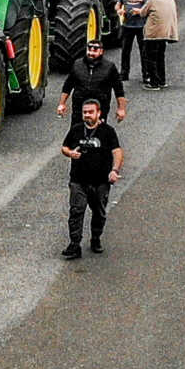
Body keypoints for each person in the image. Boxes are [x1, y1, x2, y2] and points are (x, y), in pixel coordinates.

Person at [59, 97, 123, 259]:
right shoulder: (76, 129)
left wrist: (114, 170)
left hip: (100, 181)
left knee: (99, 212)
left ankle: (96, 238)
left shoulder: (107, 132)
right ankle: (74, 244)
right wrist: (70, 153)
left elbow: (117, 152)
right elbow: (64, 147)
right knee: (76, 211)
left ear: (98, 113)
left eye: (90, 112)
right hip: (78, 180)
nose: (87, 115)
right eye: (84, 112)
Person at [57, 31, 129, 124]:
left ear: (101, 51)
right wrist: (62, 104)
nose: (91, 53)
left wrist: (121, 109)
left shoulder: (109, 67)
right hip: (79, 109)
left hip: (100, 109)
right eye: (89, 49)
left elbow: (119, 90)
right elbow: (67, 86)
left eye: (95, 50)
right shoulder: (77, 65)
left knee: (99, 135)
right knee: (76, 134)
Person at [113, 0, 153, 81]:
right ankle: (124, 73)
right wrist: (119, 10)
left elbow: (153, 7)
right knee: (125, 51)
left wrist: (140, 12)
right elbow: (117, 4)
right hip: (127, 26)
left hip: (142, 26)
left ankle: (146, 74)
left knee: (144, 51)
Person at [140, 0, 179, 88]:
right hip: (166, 33)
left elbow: (143, 13)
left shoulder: (152, 0)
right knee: (160, 57)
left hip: (153, 34)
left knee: (150, 58)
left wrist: (136, 10)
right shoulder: (171, 0)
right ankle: (162, 81)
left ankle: (154, 83)